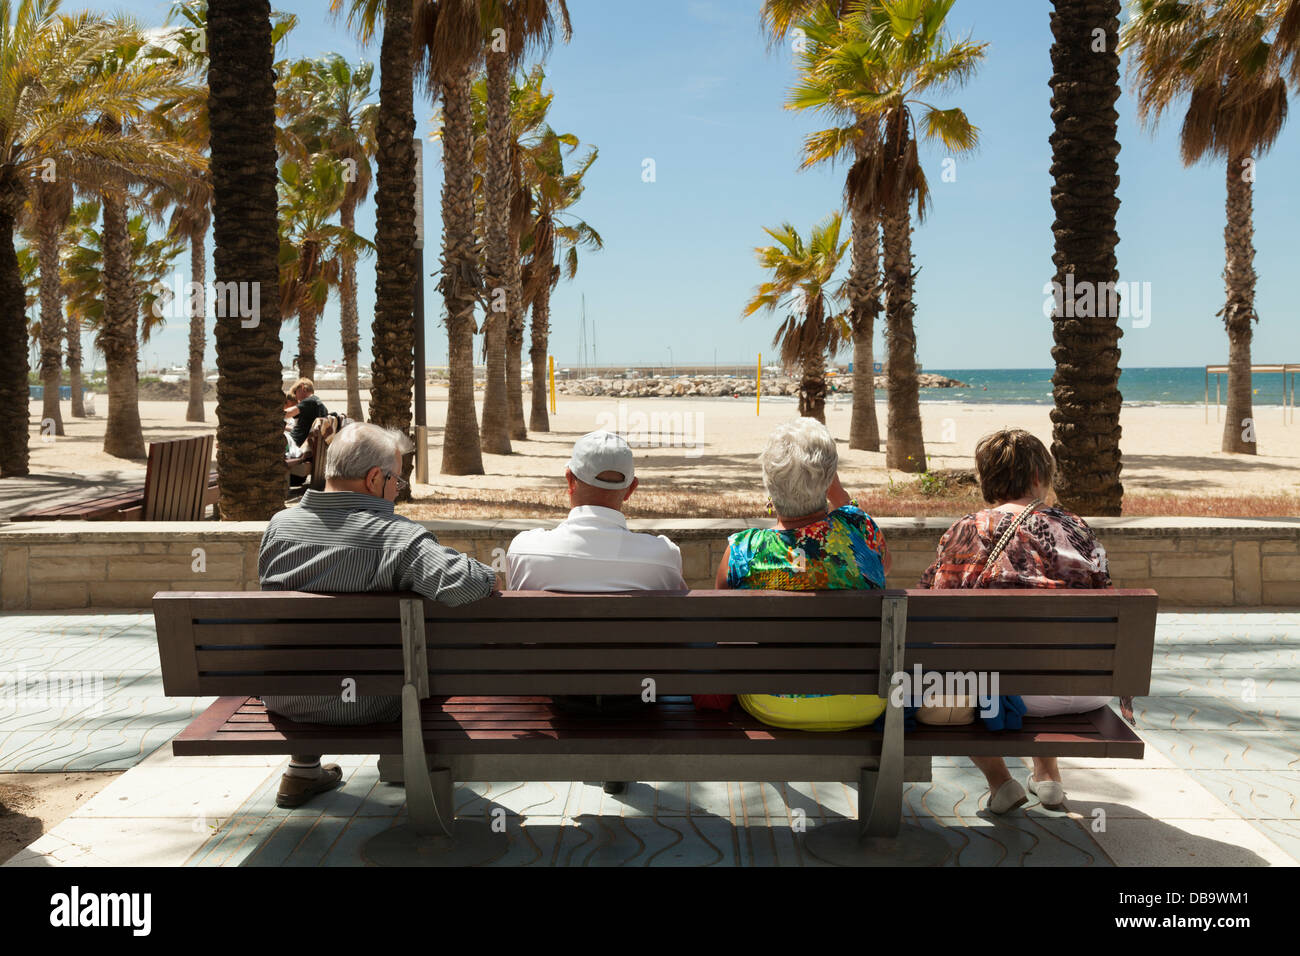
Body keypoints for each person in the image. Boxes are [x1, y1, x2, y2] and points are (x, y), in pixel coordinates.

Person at [258, 423, 496, 808]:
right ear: (374, 478)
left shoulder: (279, 527)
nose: (396, 492)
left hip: (287, 697)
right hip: (373, 703)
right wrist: (490, 573)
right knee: (430, 660)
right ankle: (410, 768)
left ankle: (302, 768)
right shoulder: (399, 538)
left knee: (314, 648)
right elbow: (466, 585)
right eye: (396, 482)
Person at [918, 428, 1125, 813]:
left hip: (1010, 694)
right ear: (1036, 477)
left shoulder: (967, 530)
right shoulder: (1078, 528)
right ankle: (1047, 777)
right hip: (1088, 687)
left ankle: (1000, 782)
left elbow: (937, 615)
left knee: (951, 675)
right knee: (1042, 655)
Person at [506, 430, 686, 794]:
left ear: (569, 480)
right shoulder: (663, 556)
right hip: (637, 699)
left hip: (559, 696)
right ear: (631, 489)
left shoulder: (525, 550)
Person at [713, 417, 893, 731]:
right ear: (829, 477)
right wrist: (835, 491)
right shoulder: (861, 531)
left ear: (769, 481)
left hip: (773, 702)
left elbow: (725, 636)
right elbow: (884, 564)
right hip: (863, 701)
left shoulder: (743, 551)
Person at [283, 378, 327, 458]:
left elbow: (288, 413)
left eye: (295, 392)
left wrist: (271, 414)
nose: (295, 396)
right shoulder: (320, 405)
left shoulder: (309, 401)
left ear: (303, 387)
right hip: (301, 442)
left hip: (294, 443)